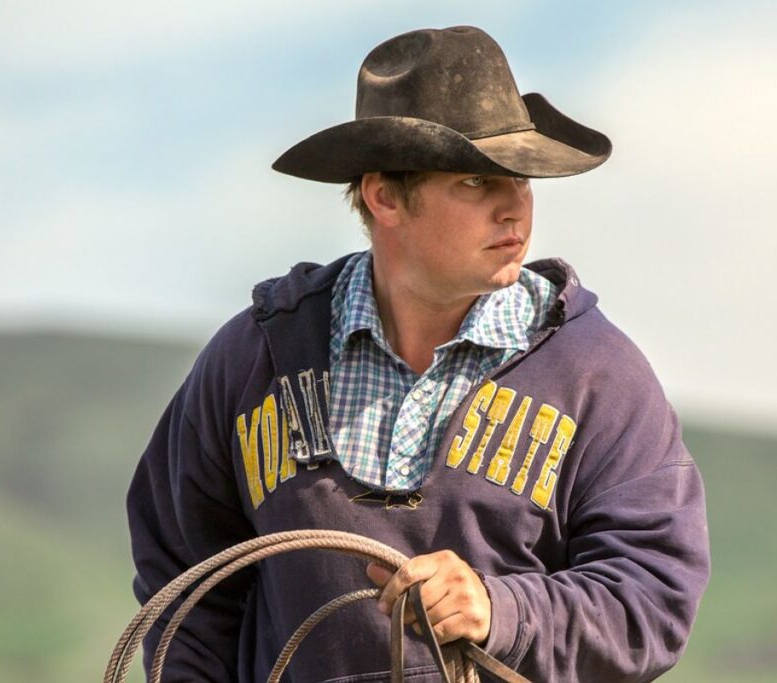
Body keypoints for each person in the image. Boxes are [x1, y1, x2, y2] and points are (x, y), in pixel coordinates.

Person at [127, 25, 710, 682]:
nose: (512, 207)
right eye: (473, 182)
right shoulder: (255, 359)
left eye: (521, 179)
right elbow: (184, 583)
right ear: (384, 196)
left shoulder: (597, 376)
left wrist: (500, 607)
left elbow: (652, 600)